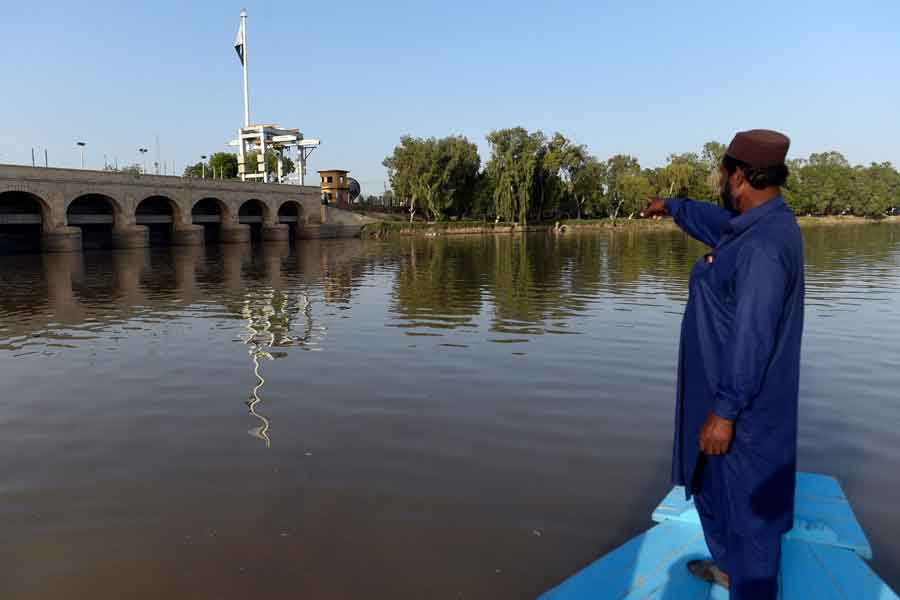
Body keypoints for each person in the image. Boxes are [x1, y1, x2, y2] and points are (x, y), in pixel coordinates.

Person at [642, 129, 804, 600]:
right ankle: (730, 571)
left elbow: (753, 336)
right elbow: (716, 222)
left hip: (744, 416)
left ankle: (748, 583)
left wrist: (726, 411)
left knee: (751, 520)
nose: (720, 182)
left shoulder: (763, 248)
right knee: (712, 492)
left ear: (738, 176)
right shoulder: (751, 227)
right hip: (717, 398)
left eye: (722, 172)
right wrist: (673, 207)